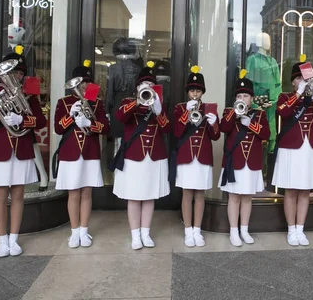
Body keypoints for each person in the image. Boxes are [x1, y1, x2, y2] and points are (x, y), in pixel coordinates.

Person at [0, 45, 47, 257]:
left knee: (18, 194)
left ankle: (14, 238)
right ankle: (1, 241)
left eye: (19, 73)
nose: (16, 76)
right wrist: (0, 110)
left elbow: (40, 121)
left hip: (22, 147)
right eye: (13, 72)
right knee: (0, 195)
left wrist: (21, 119)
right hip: (0, 148)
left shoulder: (29, 94)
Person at [272, 54, 313, 246]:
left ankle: (300, 229)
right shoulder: (286, 97)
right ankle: (291, 229)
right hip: (291, 148)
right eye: (299, 78)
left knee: (305, 190)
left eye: (305, 79)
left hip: (310, 148)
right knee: (290, 190)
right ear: (293, 81)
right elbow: (282, 111)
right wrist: (298, 94)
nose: (304, 82)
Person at [112, 61, 170, 249]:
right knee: (134, 196)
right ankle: (135, 235)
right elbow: (120, 117)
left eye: (151, 86)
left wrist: (159, 111)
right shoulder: (127, 103)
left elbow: (168, 129)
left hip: (154, 156)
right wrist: (138, 101)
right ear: (138, 87)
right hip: (134, 157)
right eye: (145, 86)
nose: (148, 89)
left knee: (149, 196)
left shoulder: (159, 105)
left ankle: (146, 232)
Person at [54, 60, 110, 248]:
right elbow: (58, 129)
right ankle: (74, 231)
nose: (84, 86)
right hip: (70, 152)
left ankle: (85, 231)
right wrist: (70, 115)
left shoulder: (97, 103)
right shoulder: (63, 102)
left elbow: (105, 127)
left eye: (86, 82)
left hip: (90, 152)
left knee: (87, 192)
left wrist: (90, 124)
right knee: (73, 193)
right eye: (80, 83)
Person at [218, 69, 270, 246]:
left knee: (247, 197)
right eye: (239, 96)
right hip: (235, 162)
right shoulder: (228, 112)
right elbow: (223, 128)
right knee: (233, 197)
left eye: (245, 96)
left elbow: (266, 135)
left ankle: (244, 230)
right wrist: (235, 113)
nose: (242, 99)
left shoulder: (260, 114)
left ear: (252, 99)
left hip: (251, 163)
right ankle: (233, 232)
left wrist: (251, 123)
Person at [173, 65, 220, 247]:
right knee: (186, 194)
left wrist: (214, 122)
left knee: (200, 194)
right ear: (188, 92)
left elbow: (215, 136)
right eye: (192, 90)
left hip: (203, 156)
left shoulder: (209, 108)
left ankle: (197, 230)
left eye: (198, 91)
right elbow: (177, 132)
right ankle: (187, 230)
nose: (195, 94)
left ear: (202, 92)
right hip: (186, 156)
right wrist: (186, 112)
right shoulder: (179, 108)